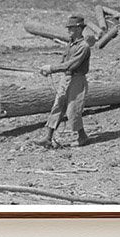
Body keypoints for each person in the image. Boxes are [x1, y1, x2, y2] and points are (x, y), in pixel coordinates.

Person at [36, 13, 92, 148]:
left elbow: (71, 64)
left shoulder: (83, 46)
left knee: (73, 109)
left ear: (79, 29)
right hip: (66, 78)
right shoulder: (70, 43)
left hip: (77, 80)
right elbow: (64, 62)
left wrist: (51, 68)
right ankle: (48, 137)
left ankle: (82, 137)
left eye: (71, 28)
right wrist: (49, 70)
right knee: (57, 106)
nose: (68, 30)